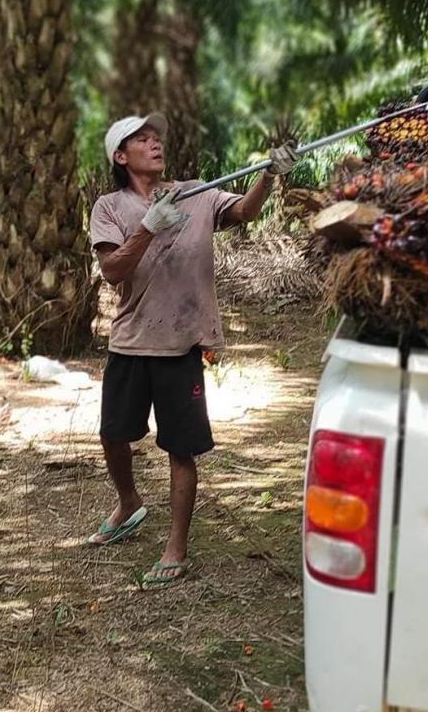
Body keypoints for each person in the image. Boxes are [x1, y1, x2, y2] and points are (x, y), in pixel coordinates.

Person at [88, 112, 297, 588]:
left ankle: (176, 549)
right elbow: (113, 271)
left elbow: (243, 212)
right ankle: (129, 502)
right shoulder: (109, 207)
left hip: (181, 343)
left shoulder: (199, 192)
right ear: (121, 157)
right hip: (132, 340)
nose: (154, 143)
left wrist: (268, 175)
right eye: (141, 140)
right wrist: (148, 226)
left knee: (181, 449)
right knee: (113, 434)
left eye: (156, 136)